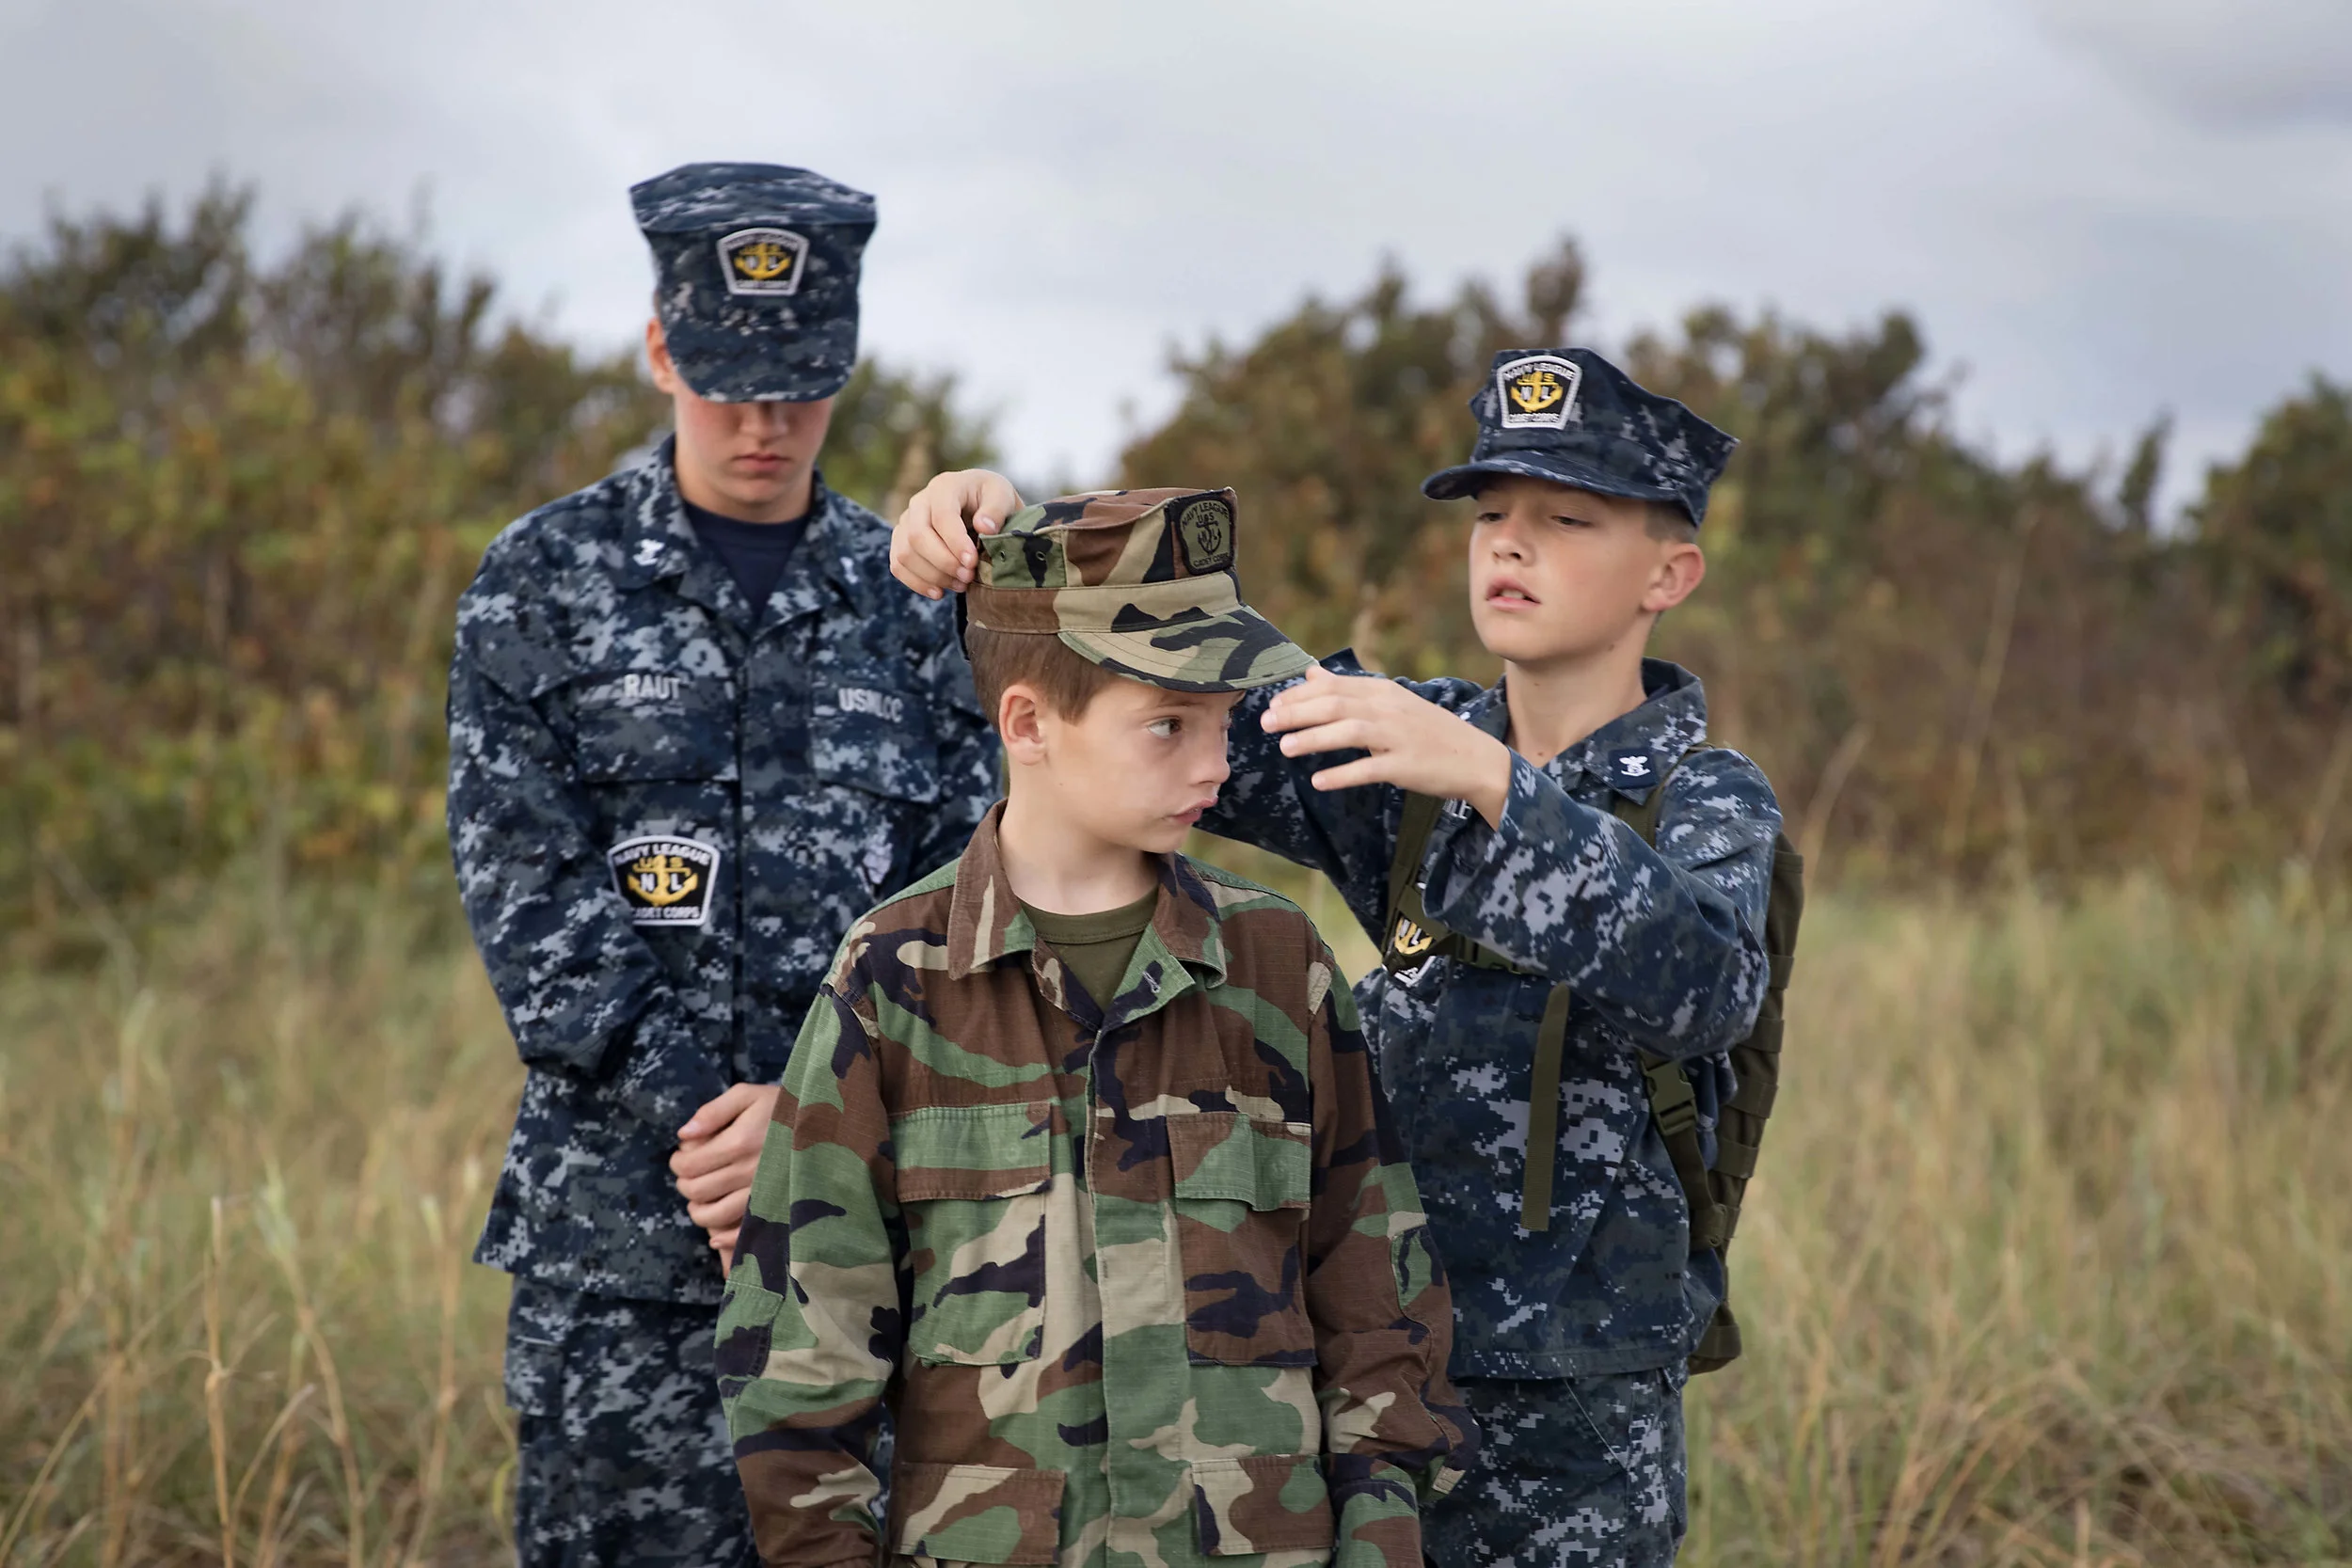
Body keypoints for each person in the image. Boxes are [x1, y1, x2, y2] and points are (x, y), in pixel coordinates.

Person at [889, 349, 1780, 1566]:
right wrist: (1010, 549)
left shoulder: (1701, 793)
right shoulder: (1407, 744)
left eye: (1566, 519)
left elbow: (1708, 986)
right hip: (1361, 1362)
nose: (1510, 546)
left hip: (1577, 1399)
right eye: (1491, 516)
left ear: (1669, 573)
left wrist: (1497, 787)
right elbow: (1161, 701)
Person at [715, 487, 1478, 1568]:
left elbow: (1379, 1323)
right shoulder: (895, 974)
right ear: (1027, 722)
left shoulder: (1276, 963)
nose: (1213, 764)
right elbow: (803, 1360)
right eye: (1167, 724)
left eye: (1220, 718)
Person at [446, 161, 996, 1568]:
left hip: (862, 1250)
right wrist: (715, 1125)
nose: (764, 420)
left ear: (848, 365)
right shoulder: (542, 583)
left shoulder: (914, 608)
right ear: (657, 349)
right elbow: (531, 901)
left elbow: (967, 904)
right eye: (727, 378)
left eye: (799, 383)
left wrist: (814, 1120)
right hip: (619, 1260)